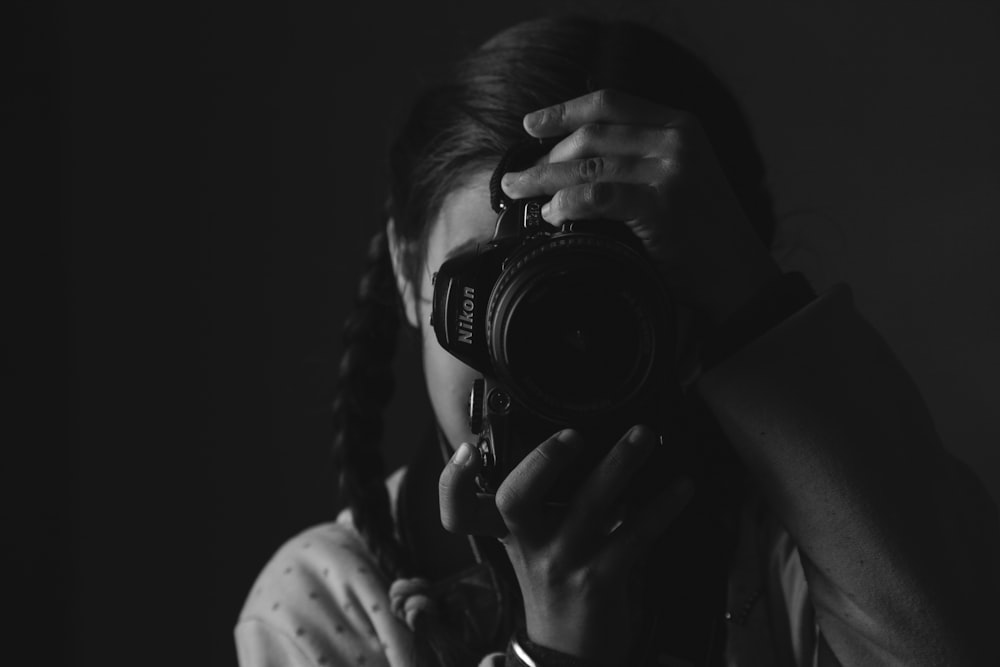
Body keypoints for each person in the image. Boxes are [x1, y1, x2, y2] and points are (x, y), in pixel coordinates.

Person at [234, 16, 1000, 667]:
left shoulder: (801, 545)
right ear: (410, 271)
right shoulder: (329, 602)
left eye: (599, 292)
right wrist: (555, 649)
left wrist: (755, 304)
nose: (550, 341)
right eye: (500, 286)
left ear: (710, 290)